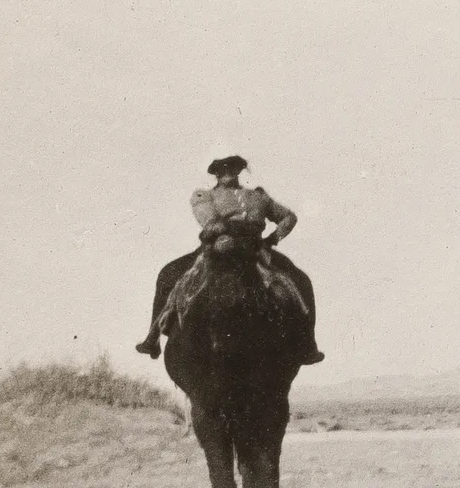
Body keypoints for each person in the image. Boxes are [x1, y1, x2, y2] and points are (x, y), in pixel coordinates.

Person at [136, 155, 324, 364]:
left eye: (234, 167)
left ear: (240, 170)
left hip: (255, 249)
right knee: (169, 275)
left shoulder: (258, 196)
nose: (229, 172)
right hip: (218, 248)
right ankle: (152, 338)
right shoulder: (204, 196)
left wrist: (273, 238)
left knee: (300, 279)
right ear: (216, 172)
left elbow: (289, 217)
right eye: (223, 168)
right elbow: (212, 223)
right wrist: (239, 228)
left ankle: (307, 344)